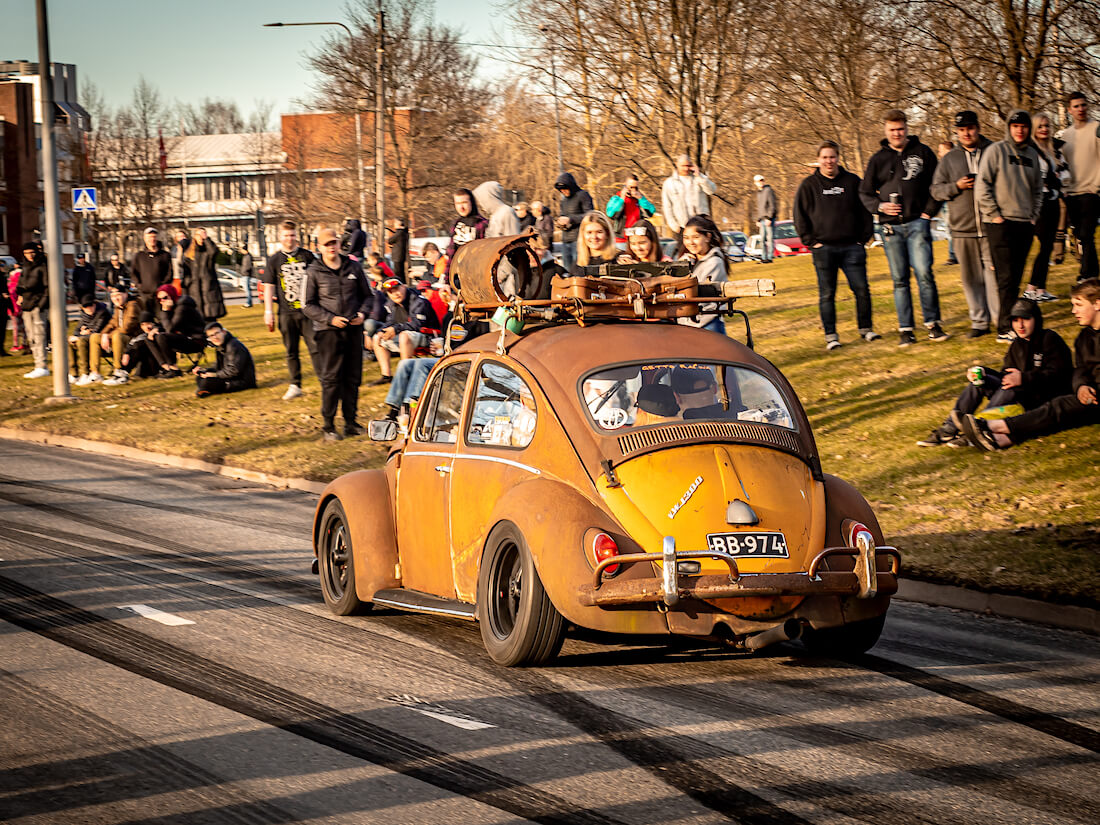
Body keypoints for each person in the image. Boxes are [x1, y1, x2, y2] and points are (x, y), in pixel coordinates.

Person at [965, 279, 1100, 449]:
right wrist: (1082, 386)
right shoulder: (1083, 338)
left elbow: (1059, 372)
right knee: (1061, 415)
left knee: (1058, 407)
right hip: (1088, 395)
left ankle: (992, 425)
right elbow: (1080, 369)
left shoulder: (1049, 339)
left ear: (1097, 304)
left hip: (1092, 396)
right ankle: (1000, 439)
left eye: (1079, 305)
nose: (1074, 311)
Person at [917, 298, 1072, 446]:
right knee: (979, 382)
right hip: (1017, 394)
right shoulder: (1016, 345)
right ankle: (949, 429)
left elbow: (1059, 375)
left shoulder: (1049, 339)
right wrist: (984, 372)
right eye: (1016, 320)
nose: (1020, 325)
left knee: (1009, 387)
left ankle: (980, 428)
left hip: (1041, 398)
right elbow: (1005, 376)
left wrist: (1024, 378)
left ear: (1036, 319)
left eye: (1025, 319)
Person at [859, 108, 948, 346]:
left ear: (907, 128)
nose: (896, 134)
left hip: (918, 223)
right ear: (886, 131)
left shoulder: (923, 152)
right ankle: (906, 329)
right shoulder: (878, 159)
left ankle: (933, 325)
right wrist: (880, 207)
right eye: (892, 130)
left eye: (900, 129)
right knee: (899, 280)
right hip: (891, 229)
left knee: (924, 274)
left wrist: (928, 213)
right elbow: (865, 192)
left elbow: (937, 186)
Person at [794, 140, 879, 350]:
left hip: (852, 247)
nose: (829, 161)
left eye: (832, 157)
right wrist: (811, 242)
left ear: (838, 158)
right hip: (824, 250)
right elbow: (799, 216)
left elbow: (866, 210)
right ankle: (831, 336)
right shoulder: (808, 186)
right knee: (827, 293)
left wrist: (864, 237)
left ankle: (866, 329)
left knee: (861, 289)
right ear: (818, 160)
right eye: (824, 157)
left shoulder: (852, 181)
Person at [976, 109, 1043, 343]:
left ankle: (1015, 322)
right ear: (1009, 128)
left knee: (1015, 278)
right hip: (999, 224)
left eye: (1024, 126)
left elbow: (1037, 190)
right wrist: (995, 215)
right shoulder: (996, 151)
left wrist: (1033, 215)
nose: (1019, 130)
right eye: (1015, 126)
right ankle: (1004, 327)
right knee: (1004, 278)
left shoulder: (1033, 155)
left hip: (1024, 223)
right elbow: (982, 185)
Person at [931, 110, 998, 338]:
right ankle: (979, 322)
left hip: (992, 225)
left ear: (978, 127)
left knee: (994, 276)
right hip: (963, 229)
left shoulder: (994, 150)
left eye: (970, 128)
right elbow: (936, 190)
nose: (966, 133)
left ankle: (1001, 320)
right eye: (961, 130)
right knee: (971, 279)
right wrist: (956, 186)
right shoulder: (949, 159)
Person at [302, 226, 373, 441]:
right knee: (331, 380)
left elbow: (368, 297)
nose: (331, 247)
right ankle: (329, 426)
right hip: (328, 333)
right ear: (319, 247)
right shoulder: (313, 271)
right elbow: (307, 305)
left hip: (353, 331)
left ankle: (351, 422)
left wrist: (362, 314)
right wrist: (330, 319)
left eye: (334, 243)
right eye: (326, 244)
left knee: (352, 378)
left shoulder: (353, 266)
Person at [264, 220, 319, 401]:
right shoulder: (274, 260)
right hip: (286, 312)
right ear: (280, 237)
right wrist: (268, 312)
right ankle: (295, 384)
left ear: (297, 236)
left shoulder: (308, 256)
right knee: (291, 350)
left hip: (308, 311)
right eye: (286, 236)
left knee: (315, 347)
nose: (289, 239)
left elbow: (320, 278)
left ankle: (324, 380)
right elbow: (269, 286)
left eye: (292, 235)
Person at [1025, 113, 1069, 303]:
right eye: (1040, 126)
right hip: (1038, 204)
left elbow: (1065, 173)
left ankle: (1041, 290)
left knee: (1048, 246)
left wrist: (1060, 181)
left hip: (1053, 201)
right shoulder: (1030, 150)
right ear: (1034, 129)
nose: (1044, 129)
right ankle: (1030, 289)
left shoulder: (1054, 150)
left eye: (1047, 126)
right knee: (1044, 247)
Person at [369, 278, 441, 385]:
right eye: (391, 292)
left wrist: (395, 329)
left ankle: (405, 375)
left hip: (429, 336)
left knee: (404, 336)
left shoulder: (418, 300)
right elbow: (390, 322)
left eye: (397, 289)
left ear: (404, 287)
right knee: (377, 338)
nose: (395, 294)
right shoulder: (392, 304)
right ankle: (386, 376)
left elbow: (417, 325)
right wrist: (381, 331)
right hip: (408, 335)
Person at [1061, 92, 1100, 282]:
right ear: (1069, 110)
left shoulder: (1096, 129)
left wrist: (1096, 186)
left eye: (1083, 105)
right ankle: (1091, 273)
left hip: (1091, 192)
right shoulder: (1065, 136)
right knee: (1080, 235)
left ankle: (1087, 275)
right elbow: (1063, 166)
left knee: (1086, 234)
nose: (1080, 109)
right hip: (1072, 194)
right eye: (1076, 106)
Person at [678, 215, 728, 336]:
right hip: (688, 324)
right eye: (686, 238)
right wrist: (681, 266)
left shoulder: (715, 262)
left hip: (707, 324)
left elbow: (692, 291)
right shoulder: (689, 261)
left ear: (707, 237)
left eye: (696, 237)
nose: (690, 242)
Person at [142, 283, 206, 378]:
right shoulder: (173, 307)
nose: (162, 301)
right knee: (148, 337)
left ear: (171, 295)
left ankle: (174, 369)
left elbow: (170, 329)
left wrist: (165, 311)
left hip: (196, 340)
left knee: (162, 337)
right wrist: (155, 329)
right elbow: (165, 325)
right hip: (182, 338)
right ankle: (165, 367)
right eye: (159, 299)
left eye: (165, 297)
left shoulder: (183, 307)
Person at [661, 155, 717, 250]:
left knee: (704, 251)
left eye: (688, 165)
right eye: (683, 166)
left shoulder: (698, 178)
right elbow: (667, 206)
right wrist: (673, 225)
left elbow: (711, 190)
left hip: (701, 225)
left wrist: (699, 175)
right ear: (677, 165)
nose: (686, 168)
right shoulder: (669, 183)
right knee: (684, 255)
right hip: (682, 226)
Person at [193, 322, 257, 398]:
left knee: (207, 381)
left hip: (241, 381)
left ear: (224, 332)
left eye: (217, 333)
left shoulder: (233, 345)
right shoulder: (220, 346)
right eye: (211, 336)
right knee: (200, 377)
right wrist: (204, 371)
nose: (215, 337)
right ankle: (205, 389)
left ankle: (205, 389)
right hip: (229, 377)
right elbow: (218, 367)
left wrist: (214, 375)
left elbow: (233, 370)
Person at [16, 241, 50, 379]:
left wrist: (41, 305)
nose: (29, 255)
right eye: (26, 253)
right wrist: (20, 295)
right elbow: (20, 283)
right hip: (26, 305)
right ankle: (37, 364)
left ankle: (42, 365)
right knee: (31, 337)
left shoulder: (43, 266)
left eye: (32, 252)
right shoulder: (25, 267)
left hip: (37, 305)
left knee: (39, 336)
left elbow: (48, 287)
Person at [99, 285, 141, 384]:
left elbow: (126, 328)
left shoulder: (132, 305)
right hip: (120, 336)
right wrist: (104, 334)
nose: (115, 298)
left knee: (116, 335)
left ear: (125, 294)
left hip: (133, 338)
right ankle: (94, 373)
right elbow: (112, 323)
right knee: (94, 337)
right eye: (113, 296)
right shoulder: (118, 308)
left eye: (118, 295)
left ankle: (119, 371)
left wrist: (108, 336)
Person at [554, 172, 594, 273]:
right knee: (568, 270)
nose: (564, 192)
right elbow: (563, 215)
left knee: (580, 269)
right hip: (565, 239)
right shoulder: (563, 201)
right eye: (561, 190)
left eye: (565, 189)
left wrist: (571, 219)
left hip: (579, 239)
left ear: (571, 186)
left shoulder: (583, 195)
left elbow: (590, 215)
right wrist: (560, 222)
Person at [185, 227, 226, 322]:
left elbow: (214, 251)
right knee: (197, 320)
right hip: (195, 290)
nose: (201, 237)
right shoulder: (189, 254)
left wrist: (207, 239)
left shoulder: (208, 252)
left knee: (211, 320)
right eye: (199, 235)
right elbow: (186, 272)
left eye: (204, 234)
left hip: (209, 289)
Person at [69, 295, 111, 385]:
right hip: (87, 339)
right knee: (70, 341)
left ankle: (85, 373)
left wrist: (83, 333)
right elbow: (76, 331)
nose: (88, 308)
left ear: (95, 304)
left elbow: (97, 330)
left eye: (90, 305)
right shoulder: (84, 315)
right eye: (85, 306)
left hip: (99, 340)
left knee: (81, 341)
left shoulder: (102, 313)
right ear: (82, 308)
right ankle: (74, 374)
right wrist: (81, 333)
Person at [445, 188, 489, 274]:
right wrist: (446, 279)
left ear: (471, 203)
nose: (461, 207)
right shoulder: (455, 224)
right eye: (458, 203)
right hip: (458, 275)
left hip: (478, 274)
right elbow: (451, 254)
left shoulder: (483, 224)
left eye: (464, 203)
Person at [130, 227, 172, 314]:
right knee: (147, 319)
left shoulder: (165, 255)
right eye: (149, 237)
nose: (152, 239)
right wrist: (140, 286)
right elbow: (134, 273)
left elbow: (169, 273)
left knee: (162, 318)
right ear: (145, 239)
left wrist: (162, 287)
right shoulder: (139, 256)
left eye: (154, 237)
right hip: (144, 294)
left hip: (160, 295)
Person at [605, 175, 656, 242]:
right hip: (621, 238)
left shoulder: (640, 199)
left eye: (635, 188)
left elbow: (651, 212)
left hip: (637, 238)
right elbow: (610, 214)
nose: (633, 190)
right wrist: (622, 199)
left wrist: (641, 199)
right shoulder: (616, 198)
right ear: (625, 186)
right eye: (631, 187)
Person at [936, 141, 958, 265]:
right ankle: (953, 254)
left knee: (951, 228)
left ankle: (953, 255)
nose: (939, 154)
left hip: (952, 201)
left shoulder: (953, 164)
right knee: (948, 228)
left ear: (947, 150)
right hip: (944, 201)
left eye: (940, 150)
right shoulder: (942, 166)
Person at [753, 174, 778, 263]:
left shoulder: (769, 190)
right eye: (759, 181)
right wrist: (758, 219)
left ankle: (770, 257)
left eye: (762, 180)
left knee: (770, 238)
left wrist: (769, 218)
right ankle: (764, 257)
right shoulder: (758, 193)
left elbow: (772, 205)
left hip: (769, 219)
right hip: (762, 219)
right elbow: (759, 208)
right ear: (755, 183)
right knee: (762, 239)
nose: (761, 183)